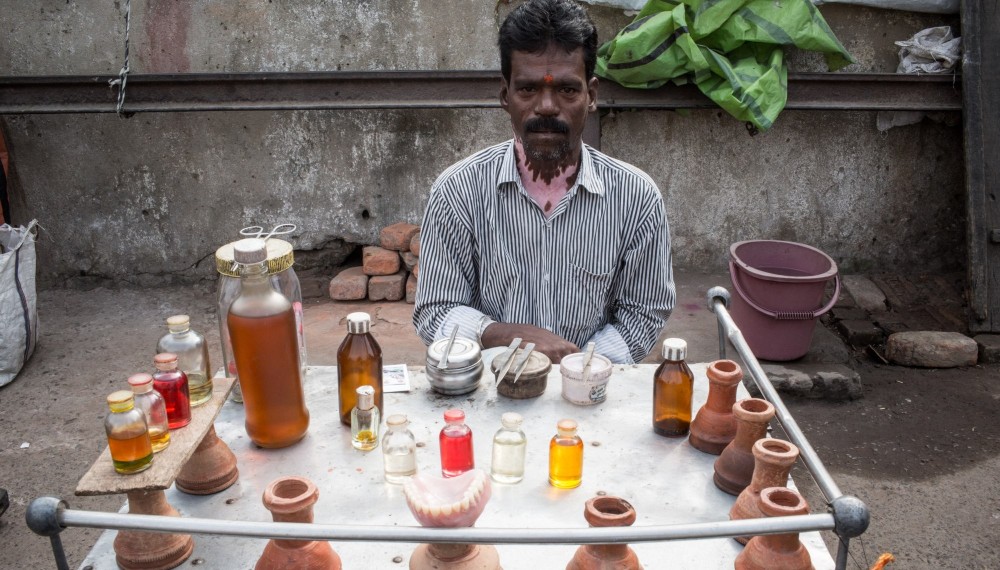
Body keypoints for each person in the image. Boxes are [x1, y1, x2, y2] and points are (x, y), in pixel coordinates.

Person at [413, 0, 674, 364]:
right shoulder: (459, 190)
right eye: (528, 89)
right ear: (506, 95)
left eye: (567, 90)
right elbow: (436, 310)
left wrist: (578, 368)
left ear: (592, 95)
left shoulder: (635, 197)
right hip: (491, 394)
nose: (547, 106)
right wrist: (503, 334)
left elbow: (643, 313)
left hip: (590, 390)